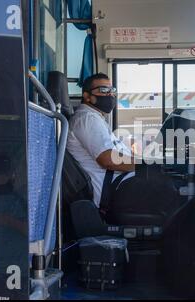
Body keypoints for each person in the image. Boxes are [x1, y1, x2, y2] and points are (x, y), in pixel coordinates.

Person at [67, 73, 179, 225]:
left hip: (120, 185)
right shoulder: (87, 119)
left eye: (112, 90)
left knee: (171, 178)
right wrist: (144, 165)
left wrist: (147, 162)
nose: (110, 94)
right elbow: (107, 160)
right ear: (87, 96)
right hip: (115, 191)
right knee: (175, 187)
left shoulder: (96, 118)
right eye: (104, 90)